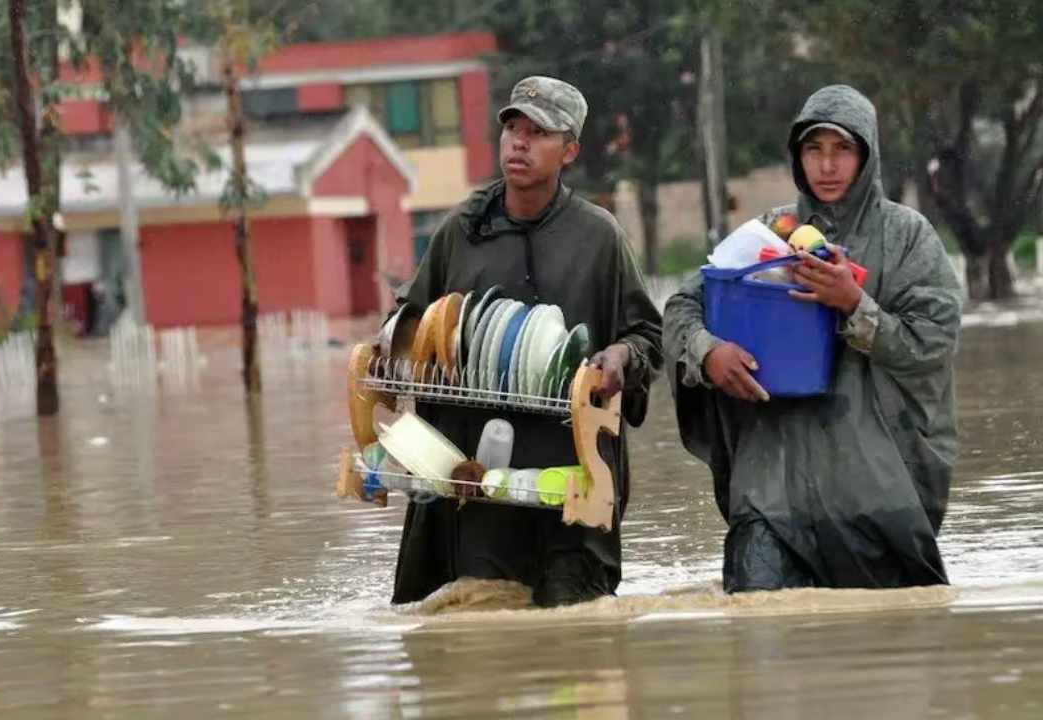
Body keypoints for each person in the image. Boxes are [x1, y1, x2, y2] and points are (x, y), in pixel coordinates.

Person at [663, 84, 963, 592]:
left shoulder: (907, 237)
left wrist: (855, 306)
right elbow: (682, 306)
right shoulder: (768, 234)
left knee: (891, 647)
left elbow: (933, 341)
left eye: (842, 149)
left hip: (873, 494)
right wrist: (708, 352)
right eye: (813, 149)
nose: (827, 165)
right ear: (797, 156)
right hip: (769, 491)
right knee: (759, 633)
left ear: (866, 156)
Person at [390, 76, 664, 608]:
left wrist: (621, 357)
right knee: (480, 620)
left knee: (576, 630)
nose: (519, 142)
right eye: (513, 128)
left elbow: (648, 335)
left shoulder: (598, 237)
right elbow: (408, 328)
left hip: (572, 476)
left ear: (570, 151)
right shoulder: (462, 230)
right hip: (477, 487)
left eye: (538, 132)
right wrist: (394, 360)